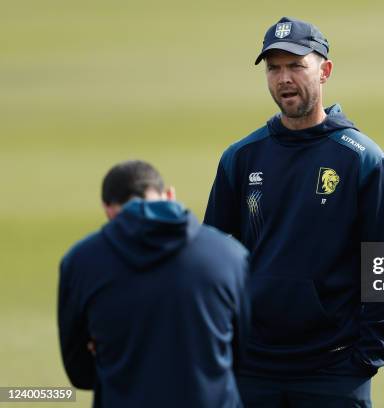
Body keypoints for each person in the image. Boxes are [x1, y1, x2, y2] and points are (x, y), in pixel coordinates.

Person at [204, 16, 384, 407]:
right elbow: (211, 256)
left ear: (324, 70)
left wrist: (367, 358)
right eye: (274, 68)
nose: (283, 79)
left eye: (296, 65)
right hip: (252, 369)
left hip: (334, 371)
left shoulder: (364, 161)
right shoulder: (241, 157)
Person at [58, 160, 249, 408]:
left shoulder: (80, 262)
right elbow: (241, 353)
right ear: (169, 195)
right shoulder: (229, 255)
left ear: (108, 209)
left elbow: (80, 371)